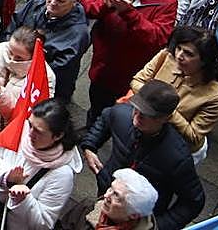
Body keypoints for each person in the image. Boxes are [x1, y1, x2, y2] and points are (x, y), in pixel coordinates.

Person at [79, 80, 206, 230]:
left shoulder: (176, 157)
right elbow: (106, 118)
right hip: (108, 192)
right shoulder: (122, 114)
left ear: (165, 118)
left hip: (139, 217)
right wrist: (90, 146)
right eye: (136, 108)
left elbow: (193, 202)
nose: (137, 116)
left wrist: (159, 226)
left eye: (147, 114)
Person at [80, 0, 178, 124]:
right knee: (96, 107)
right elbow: (86, 2)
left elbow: (158, 38)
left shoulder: (167, 2)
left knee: (123, 117)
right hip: (102, 64)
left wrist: (128, 13)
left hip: (132, 72)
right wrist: (105, 4)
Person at [0, 98, 83, 230]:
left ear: (57, 136)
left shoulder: (62, 175)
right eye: (30, 124)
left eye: (38, 131)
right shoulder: (21, 129)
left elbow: (44, 223)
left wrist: (23, 199)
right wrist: (6, 177)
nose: (30, 134)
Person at [128, 26, 218, 157]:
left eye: (189, 54)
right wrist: (154, 101)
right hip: (145, 130)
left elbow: (194, 136)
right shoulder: (165, 57)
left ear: (204, 60)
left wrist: (165, 108)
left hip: (173, 148)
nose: (179, 56)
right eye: (179, 48)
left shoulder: (215, 95)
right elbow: (137, 81)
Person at [0, 26, 57, 155]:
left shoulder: (45, 78)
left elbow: (31, 118)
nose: (11, 59)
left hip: (11, 143)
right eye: (10, 51)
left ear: (33, 57)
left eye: (19, 58)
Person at [5, 0, 91, 100]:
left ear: (73, 3)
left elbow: (59, 68)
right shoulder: (36, 3)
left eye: (60, 1)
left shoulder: (78, 34)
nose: (53, 3)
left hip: (49, 87)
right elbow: (12, 27)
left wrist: (22, 68)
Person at [67, 168, 161, 230]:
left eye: (116, 195)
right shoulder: (89, 206)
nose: (106, 196)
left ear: (133, 215)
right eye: (111, 188)